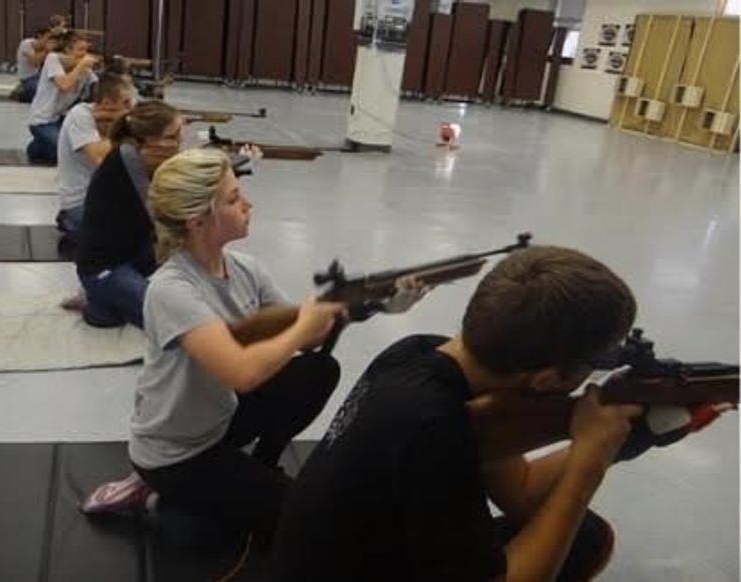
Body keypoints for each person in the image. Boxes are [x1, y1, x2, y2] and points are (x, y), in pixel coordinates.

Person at [268, 245, 646, 581]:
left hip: (344, 557)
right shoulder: (432, 427)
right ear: (547, 379)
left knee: (583, 537)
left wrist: (619, 439)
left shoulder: (414, 353)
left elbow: (520, 490)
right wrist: (588, 463)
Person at [127, 148, 344, 542]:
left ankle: (260, 467)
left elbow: (311, 339)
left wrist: (356, 306)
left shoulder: (245, 268)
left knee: (319, 371)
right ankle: (163, 493)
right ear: (197, 222)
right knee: (305, 523)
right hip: (176, 454)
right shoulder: (170, 289)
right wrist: (302, 326)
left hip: (220, 420)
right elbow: (243, 373)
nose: (247, 203)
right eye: (232, 199)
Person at [73, 100, 183, 328]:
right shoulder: (128, 157)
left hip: (135, 255)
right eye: (171, 137)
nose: (178, 144)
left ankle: (106, 301)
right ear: (148, 139)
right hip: (103, 266)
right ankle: (98, 299)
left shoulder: (138, 154)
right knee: (167, 322)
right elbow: (159, 211)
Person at [55, 73, 134, 248]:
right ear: (107, 103)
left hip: (106, 199)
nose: (130, 108)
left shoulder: (115, 118)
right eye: (126, 103)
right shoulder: (80, 114)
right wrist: (124, 129)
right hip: (80, 202)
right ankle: (70, 221)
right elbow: (100, 157)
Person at [26, 29, 99, 164]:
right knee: (65, 154)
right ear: (67, 50)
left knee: (74, 150)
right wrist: (81, 66)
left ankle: (41, 144)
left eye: (86, 50)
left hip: (61, 120)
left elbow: (99, 88)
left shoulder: (86, 72)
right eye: (80, 50)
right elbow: (64, 85)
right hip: (42, 120)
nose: (84, 55)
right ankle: (37, 146)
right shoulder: (53, 59)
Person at [11, 28, 53, 103]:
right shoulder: (26, 44)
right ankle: (20, 92)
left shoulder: (43, 49)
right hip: (27, 78)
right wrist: (47, 51)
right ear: (40, 36)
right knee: (40, 92)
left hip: (37, 75)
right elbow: (34, 62)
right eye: (48, 38)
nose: (49, 41)